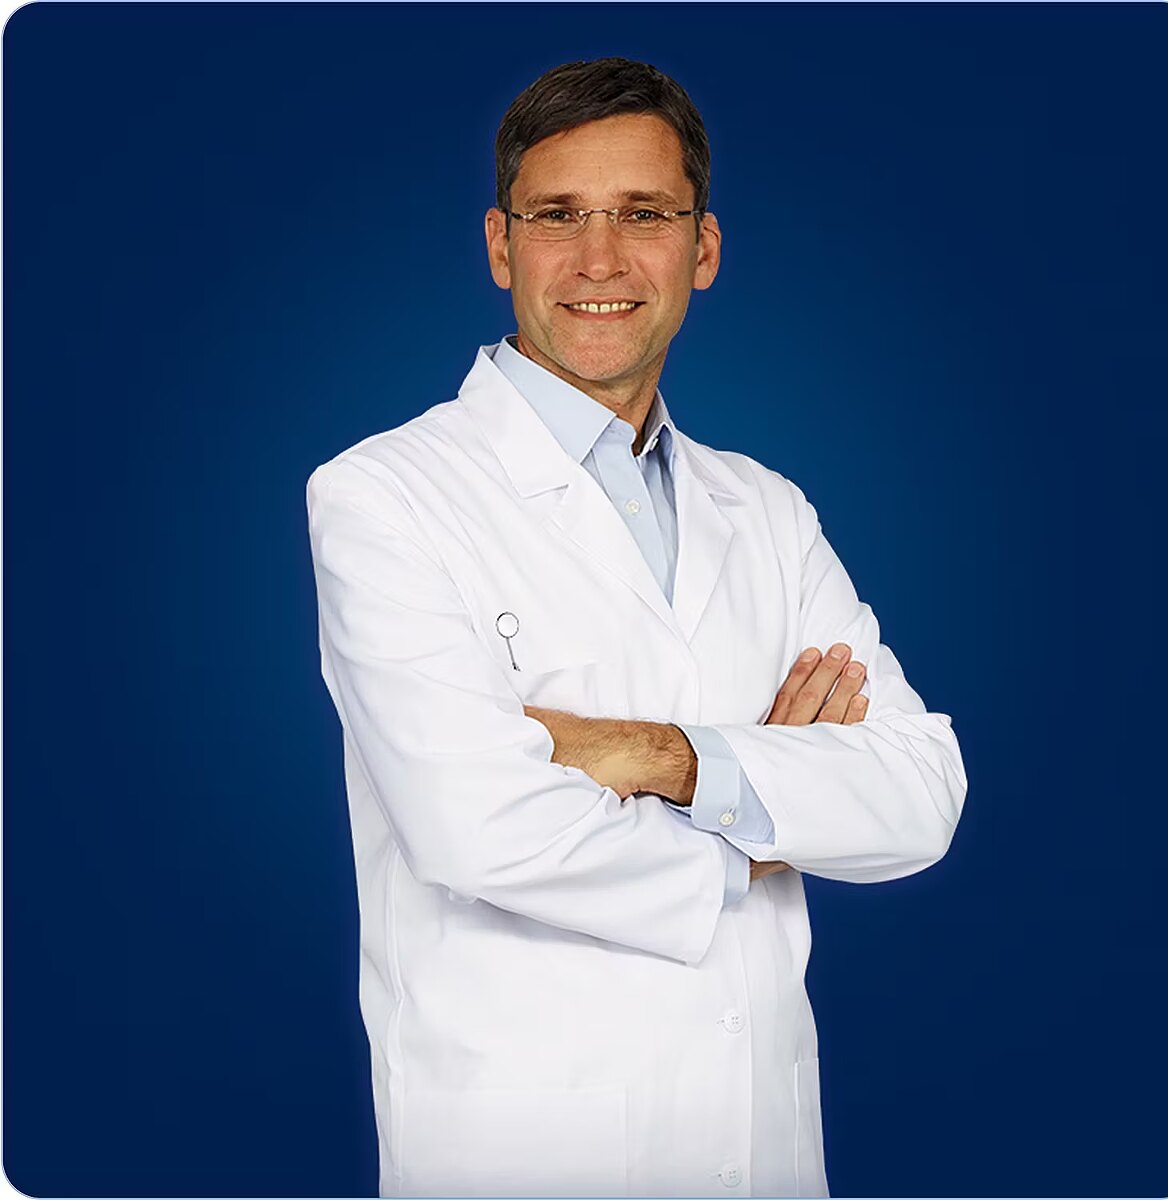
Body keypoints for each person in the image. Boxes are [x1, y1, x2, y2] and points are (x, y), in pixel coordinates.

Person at [306, 56, 967, 1200]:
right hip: (522, 1153)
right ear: (500, 246)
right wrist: (775, 812)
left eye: (645, 214)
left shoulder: (765, 509)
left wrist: (661, 758)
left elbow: (920, 793)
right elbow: (473, 830)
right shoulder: (383, 496)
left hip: (763, 1149)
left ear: (703, 249)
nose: (600, 258)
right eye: (558, 215)